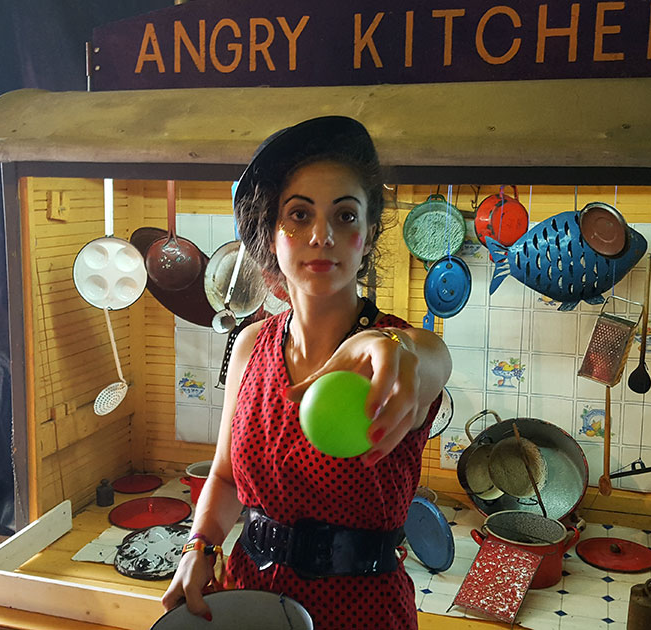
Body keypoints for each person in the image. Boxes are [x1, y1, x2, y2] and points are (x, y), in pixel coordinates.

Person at [161, 116, 452, 629]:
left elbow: (430, 360)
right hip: (250, 599)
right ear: (272, 234)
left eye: (345, 215)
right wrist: (199, 546)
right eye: (299, 215)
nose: (321, 235)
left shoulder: (399, 352)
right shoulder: (250, 345)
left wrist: (394, 344)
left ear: (368, 235)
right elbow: (225, 477)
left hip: (362, 612)